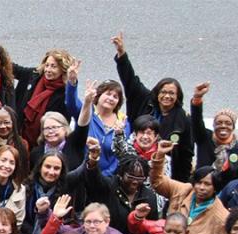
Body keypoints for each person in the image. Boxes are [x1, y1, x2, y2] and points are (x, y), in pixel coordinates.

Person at [112, 32, 193, 182]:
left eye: (172, 93)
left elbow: (186, 154)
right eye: (163, 92)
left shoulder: (183, 119)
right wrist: (122, 54)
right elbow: (130, 79)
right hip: (132, 164)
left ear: (178, 97)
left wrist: (181, 184)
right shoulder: (144, 99)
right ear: (157, 92)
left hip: (162, 172)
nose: (167, 96)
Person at [150, 140, 229, 234]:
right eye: (198, 182)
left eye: (207, 184)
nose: (201, 187)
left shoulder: (221, 217)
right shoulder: (183, 190)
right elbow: (157, 182)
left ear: (215, 188)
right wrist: (160, 155)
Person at [83, 143, 160, 234]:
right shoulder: (109, 185)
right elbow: (94, 180)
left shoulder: (149, 196)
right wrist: (93, 161)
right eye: (130, 177)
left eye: (140, 178)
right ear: (121, 174)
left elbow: (152, 228)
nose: (135, 182)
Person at [65, 61, 131, 176]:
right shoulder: (87, 111)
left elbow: (120, 155)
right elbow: (71, 103)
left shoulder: (123, 123)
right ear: (98, 95)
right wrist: (72, 82)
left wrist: (104, 176)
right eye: (108, 94)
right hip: (80, 172)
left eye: (115, 97)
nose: (111, 98)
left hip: (107, 179)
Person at [29, 80, 96, 171]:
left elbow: (83, 125)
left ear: (65, 129)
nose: (51, 131)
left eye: (55, 127)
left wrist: (87, 103)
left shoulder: (75, 143)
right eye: (47, 128)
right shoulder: (36, 153)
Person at [15, 49, 74, 147]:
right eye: (47, 65)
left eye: (53, 66)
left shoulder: (64, 94)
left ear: (63, 69)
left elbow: (64, 123)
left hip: (45, 143)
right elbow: (13, 68)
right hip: (21, 140)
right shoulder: (34, 76)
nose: (48, 70)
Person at [190, 82, 238, 173]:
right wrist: (197, 98)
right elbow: (196, 120)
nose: (223, 126)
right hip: (202, 185)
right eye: (219, 123)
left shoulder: (236, 146)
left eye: (228, 123)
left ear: (233, 127)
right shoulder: (204, 137)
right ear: (213, 125)